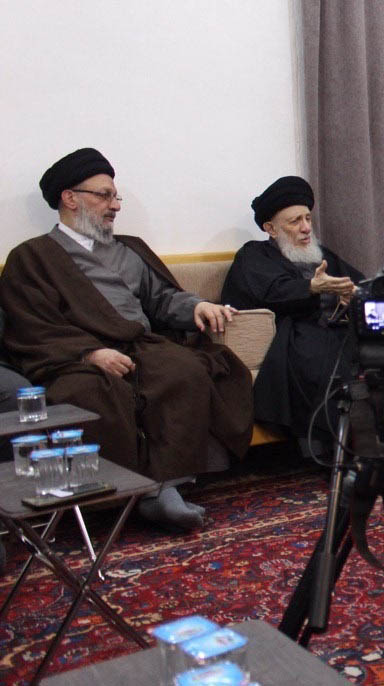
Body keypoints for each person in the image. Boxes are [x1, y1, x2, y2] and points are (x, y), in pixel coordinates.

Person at [0, 148, 253, 531]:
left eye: (116, 197)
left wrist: (196, 306)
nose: (115, 205)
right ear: (70, 198)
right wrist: (89, 353)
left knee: (183, 370)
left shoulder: (129, 249)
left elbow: (162, 299)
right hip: (75, 358)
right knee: (93, 393)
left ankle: (168, 486)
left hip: (139, 346)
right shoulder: (32, 257)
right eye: (105, 196)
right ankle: (120, 498)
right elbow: (32, 325)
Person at [221, 176, 365, 452]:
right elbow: (272, 292)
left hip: (339, 329)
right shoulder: (255, 255)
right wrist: (312, 287)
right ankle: (329, 447)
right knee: (320, 353)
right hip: (296, 333)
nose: (306, 227)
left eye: (308, 218)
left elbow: (357, 282)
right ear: (270, 228)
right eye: (295, 221)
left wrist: (354, 295)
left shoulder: (322, 255)